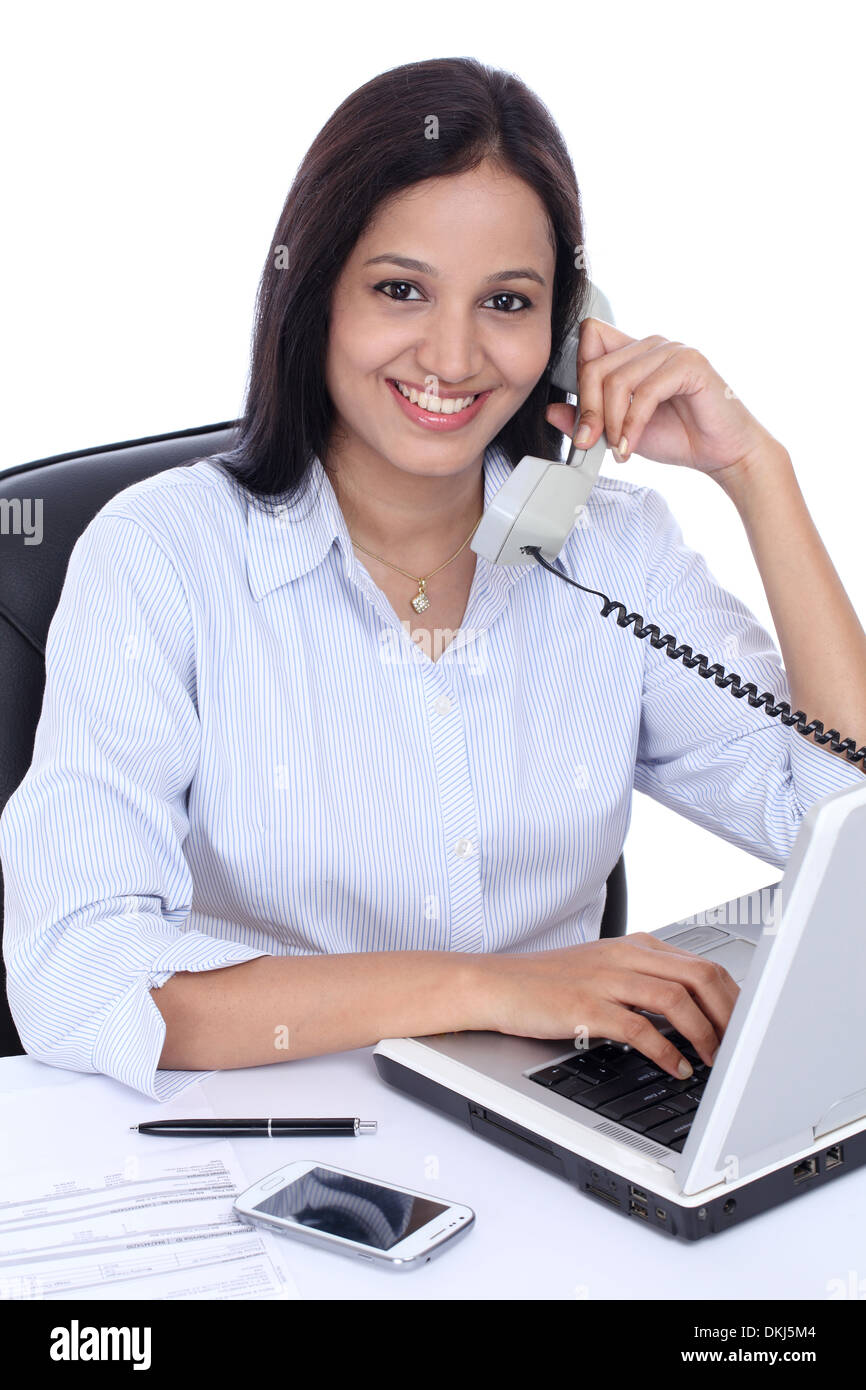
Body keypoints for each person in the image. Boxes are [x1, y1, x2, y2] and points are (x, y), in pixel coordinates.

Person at [2, 58, 864, 1103]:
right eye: (399, 289)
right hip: (270, 1139)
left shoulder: (611, 550)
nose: (451, 357)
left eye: (507, 301)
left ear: (565, 328)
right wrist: (487, 988)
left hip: (553, 1127)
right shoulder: (160, 556)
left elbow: (840, 838)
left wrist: (755, 475)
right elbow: (73, 979)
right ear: (314, 294)